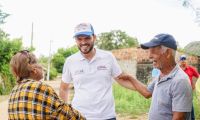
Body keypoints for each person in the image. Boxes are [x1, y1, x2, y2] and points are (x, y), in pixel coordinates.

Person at [59, 23, 136, 120]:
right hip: (80, 116)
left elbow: (121, 79)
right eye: (79, 39)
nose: (83, 42)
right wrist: (64, 112)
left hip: (106, 116)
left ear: (94, 37)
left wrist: (145, 90)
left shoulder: (108, 57)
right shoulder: (70, 61)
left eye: (87, 38)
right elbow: (63, 88)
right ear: (75, 40)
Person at [119, 33, 192, 120]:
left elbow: (179, 118)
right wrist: (129, 77)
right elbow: (147, 92)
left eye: (153, 51)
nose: (149, 56)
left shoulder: (180, 80)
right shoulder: (161, 75)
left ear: (168, 53)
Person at [8, 50, 85, 120]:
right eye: (38, 62)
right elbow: (70, 115)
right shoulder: (40, 88)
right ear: (34, 70)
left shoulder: (14, 90)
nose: (42, 66)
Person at [179, 54, 199, 120]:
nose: (183, 60)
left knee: (190, 105)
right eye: (182, 59)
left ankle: (192, 118)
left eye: (184, 59)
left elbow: (198, 77)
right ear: (180, 61)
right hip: (179, 91)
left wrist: (195, 84)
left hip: (188, 91)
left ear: (186, 60)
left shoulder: (191, 69)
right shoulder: (177, 70)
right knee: (180, 106)